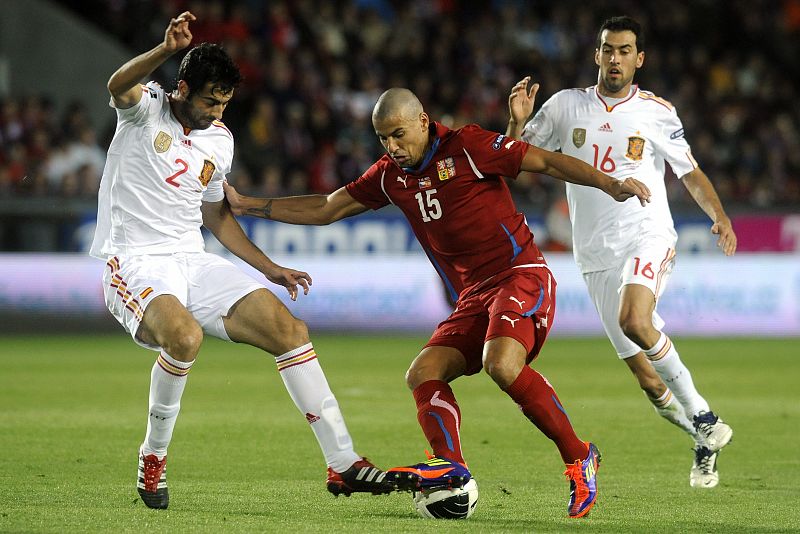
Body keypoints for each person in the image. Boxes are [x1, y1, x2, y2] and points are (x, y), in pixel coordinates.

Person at [224, 88, 652, 518]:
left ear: (423, 122)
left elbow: (545, 160)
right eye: (382, 139)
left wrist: (610, 182)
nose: (392, 147)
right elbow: (327, 207)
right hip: (473, 297)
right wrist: (248, 205)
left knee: (500, 364)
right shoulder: (390, 176)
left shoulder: (467, 146)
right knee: (422, 373)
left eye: (398, 134)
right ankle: (453, 469)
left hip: (521, 276)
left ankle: (579, 457)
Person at [89, 12, 395, 510]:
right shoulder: (145, 109)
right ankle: (154, 455)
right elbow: (117, 83)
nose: (215, 113)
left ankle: (343, 463)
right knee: (184, 337)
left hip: (193, 258)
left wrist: (268, 267)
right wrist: (164, 48)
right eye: (209, 101)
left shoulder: (220, 140)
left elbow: (216, 214)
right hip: (136, 260)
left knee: (289, 330)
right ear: (183, 88)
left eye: (224, 104)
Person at [506, 15, 736, 489]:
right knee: (650, 383)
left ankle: (704, 415)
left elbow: (688, 171)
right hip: (593, 255)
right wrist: (517, 121)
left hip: (645, 234)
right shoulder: (567, 106)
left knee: (636, 319)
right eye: (608, 49)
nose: (615, 58)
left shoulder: (656, 112)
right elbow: (513, 159)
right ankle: (701, 438)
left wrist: (720, 214)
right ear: (597, 55)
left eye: (625, 50)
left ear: (640, 59)